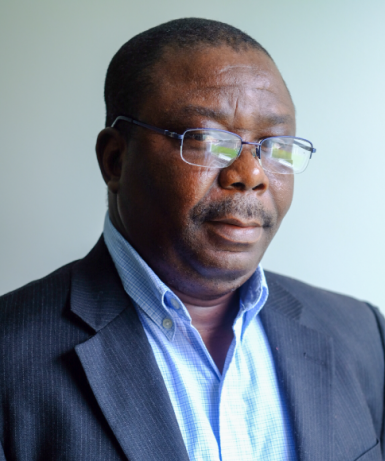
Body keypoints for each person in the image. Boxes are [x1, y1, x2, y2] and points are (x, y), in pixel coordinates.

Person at [0, 17, 383, 461]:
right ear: (115, 160)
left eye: (275, 146)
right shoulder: (11, 355)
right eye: (206, 139)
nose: (250, 174)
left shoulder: (362, 335)